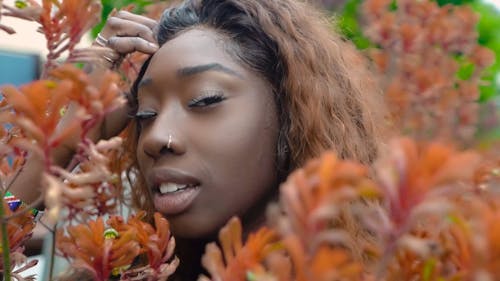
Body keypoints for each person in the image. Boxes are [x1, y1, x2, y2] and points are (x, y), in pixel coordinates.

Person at [10, 0, 386, 279]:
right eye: (144, 113)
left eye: (204, 100)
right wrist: (63, 142)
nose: (157, 137)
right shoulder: (124, 270)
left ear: (292, 116)